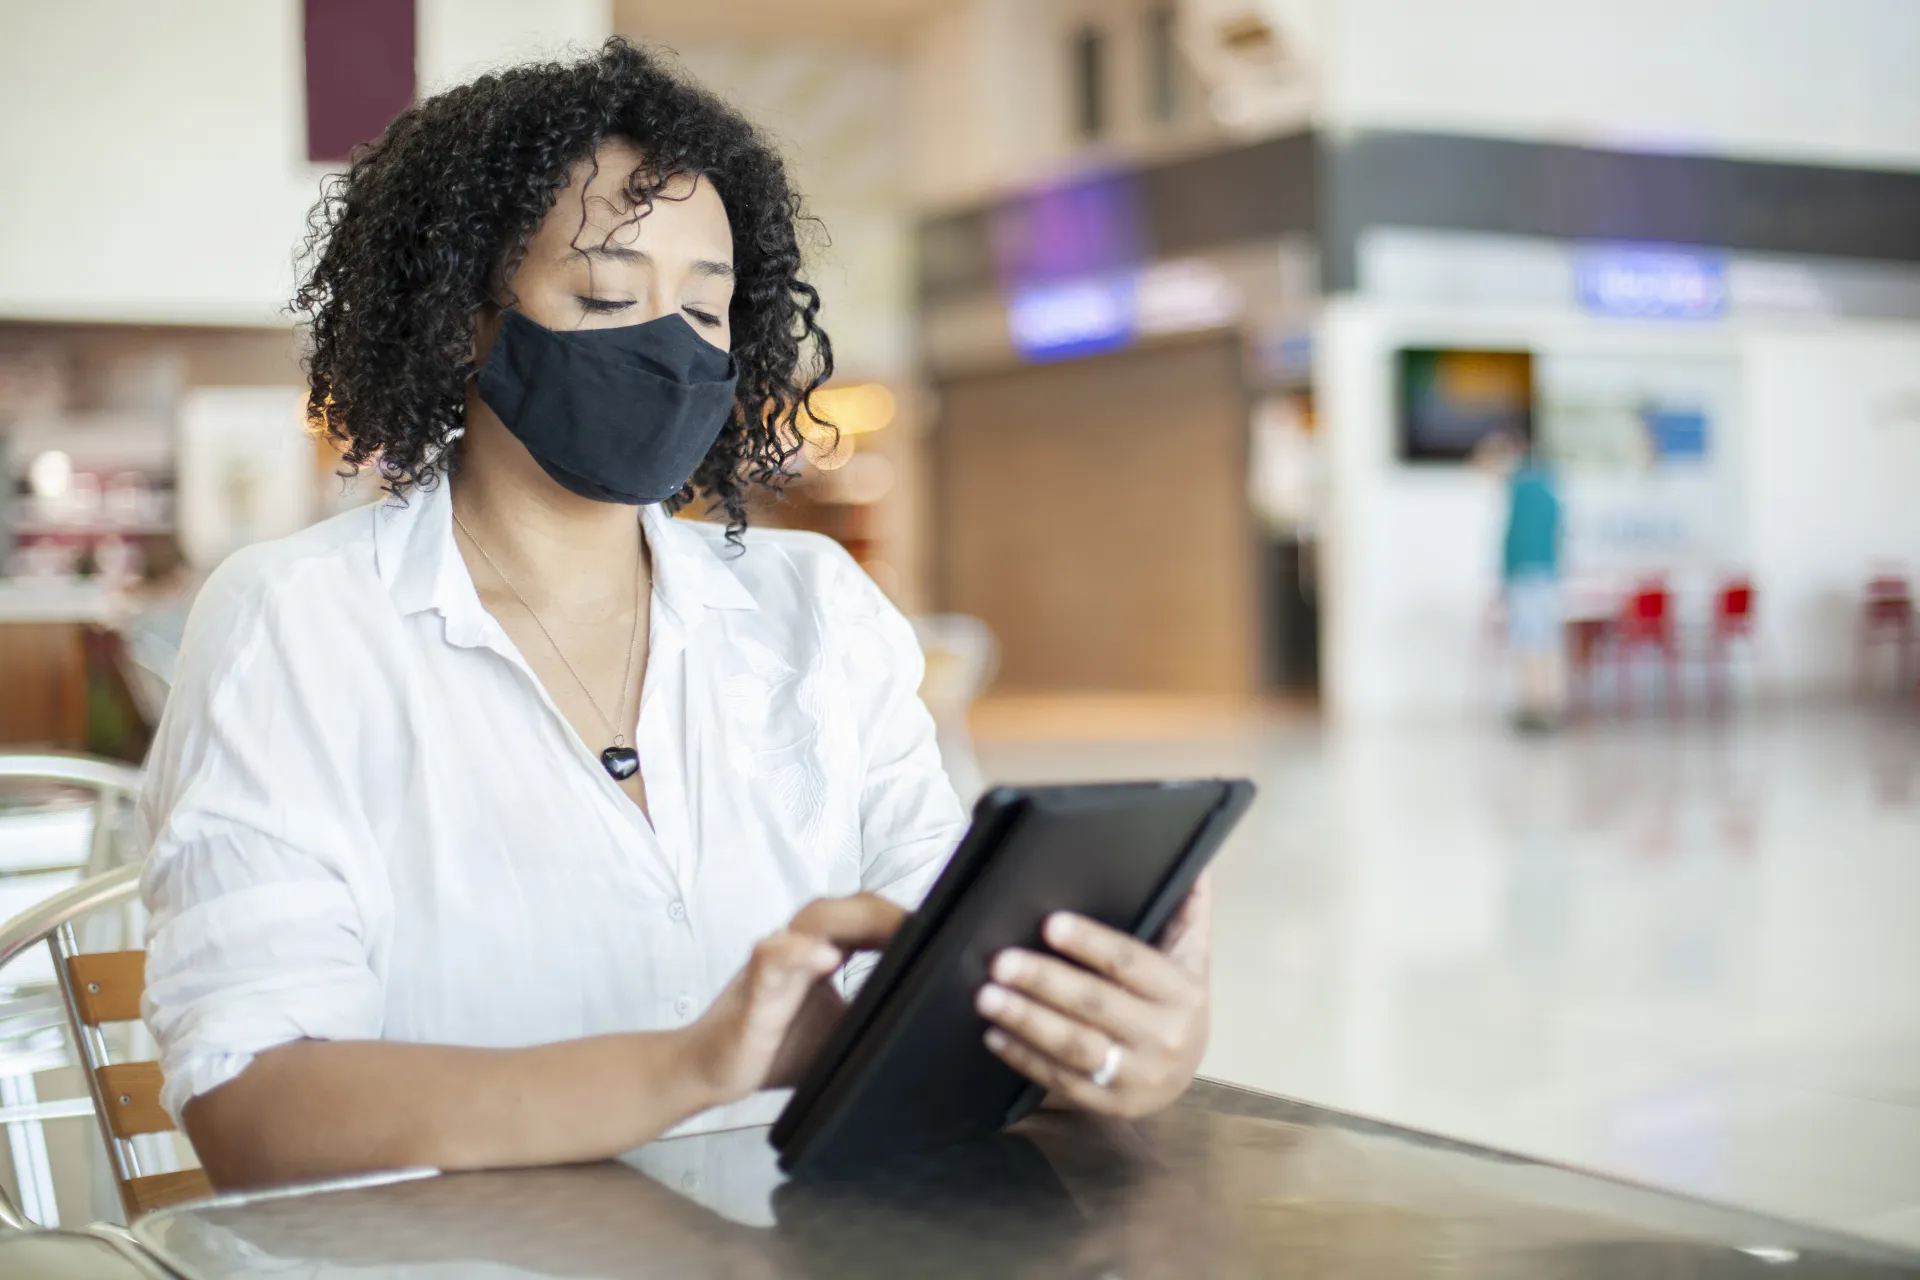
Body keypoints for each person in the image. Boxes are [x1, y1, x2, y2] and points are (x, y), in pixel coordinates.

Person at [137, 40, 1212, 1190]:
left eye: (706, 311)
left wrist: (1111, 1039)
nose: (669, 347)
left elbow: (942, 971)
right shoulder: (301, 620)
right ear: (463, 320)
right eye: (606, 294)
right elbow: (256, 1108)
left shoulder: (815, 609)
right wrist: (695, 1063)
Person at [1490, 432, 1565, 731]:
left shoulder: (1518, 490)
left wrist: (1503, 579)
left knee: (1528, 642)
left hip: (1524, 576)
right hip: (1547, 575)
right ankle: (1548, 702)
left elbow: (1511, 540)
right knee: (1545, 640)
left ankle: (1534, 705)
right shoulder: (1551, 491)